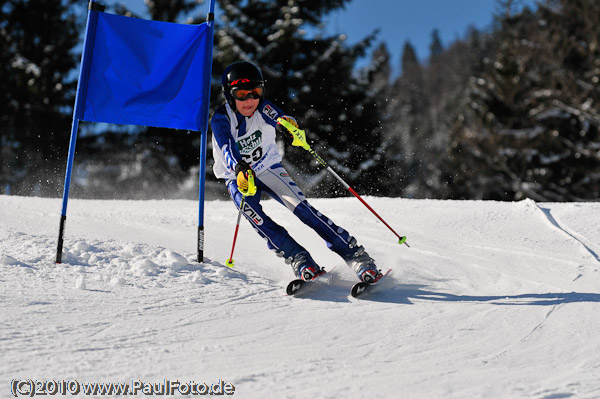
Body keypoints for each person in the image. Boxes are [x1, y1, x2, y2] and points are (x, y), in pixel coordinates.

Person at [210, 61, 382, 283]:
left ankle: (356, 255)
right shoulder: (221, 118)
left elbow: (279, 117)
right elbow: (226, 147)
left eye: (256, 92)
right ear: (229, 94)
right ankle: (298, 258)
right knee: (255, 217)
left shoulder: (263, 107)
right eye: (241, 94)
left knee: (303, 210)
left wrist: (290, 126)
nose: (250, 100)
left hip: (268, 167)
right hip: (239, 176)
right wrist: (239, 168)